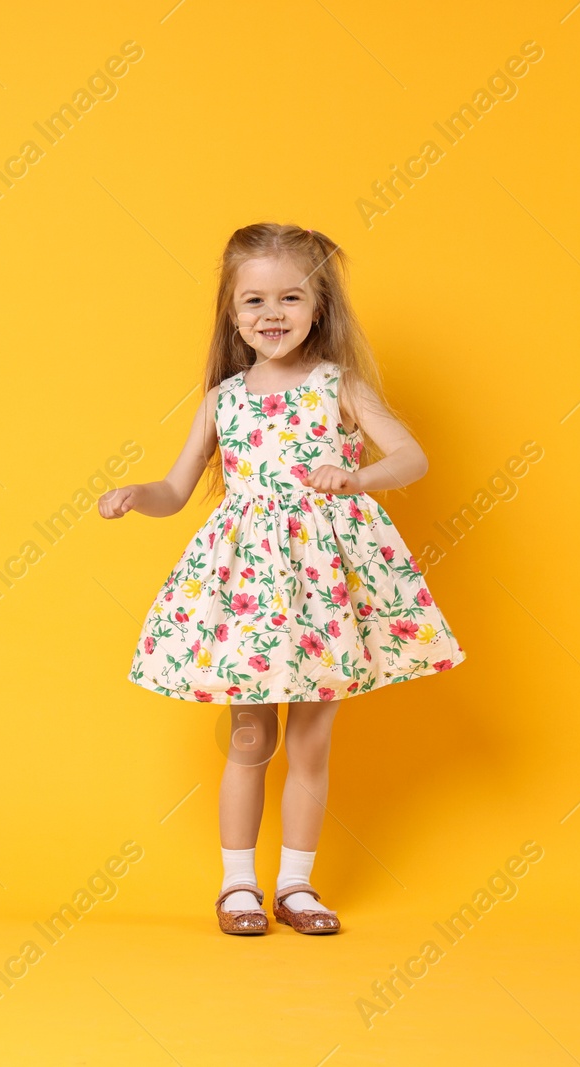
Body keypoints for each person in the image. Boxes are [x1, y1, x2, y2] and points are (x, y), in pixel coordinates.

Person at [99, 223, 465, 936]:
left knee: (310, 742)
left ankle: (296, 884)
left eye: (290, 297)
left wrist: (356, 475)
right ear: (232, 314)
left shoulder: (339, 385)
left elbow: (412, 457)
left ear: (319, 306)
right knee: (248, 738)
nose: (272, 314)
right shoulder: (223, 399)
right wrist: (138, 494)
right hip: (248, 587)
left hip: (324, 584)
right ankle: (239, 885)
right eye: (254, 301)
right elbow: (177, 489)